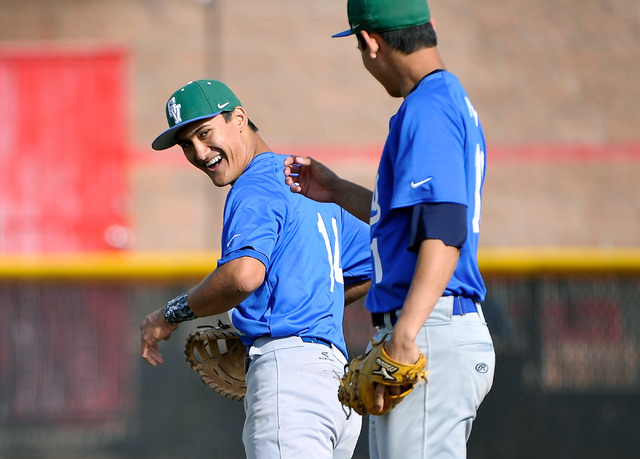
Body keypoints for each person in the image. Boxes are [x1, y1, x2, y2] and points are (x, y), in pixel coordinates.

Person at [283, 0, 495, 457]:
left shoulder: (429, 107)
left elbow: (444, 231)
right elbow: (410, 217)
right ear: (428, 26)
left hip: (428, 326)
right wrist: (338, 190)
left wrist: (405, 335)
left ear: (369, 42)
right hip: (432, 324)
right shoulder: (444, 99)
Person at [140, 79, 372, 459]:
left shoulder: (253, 185)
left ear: (239, 118)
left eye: (204, 132)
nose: (199, 152)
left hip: (290, 383)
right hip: (336, 387)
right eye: (186, 144)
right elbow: (375, 266)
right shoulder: (307, 186)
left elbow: (243, 276)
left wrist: (169, 314)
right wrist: (298, 305)